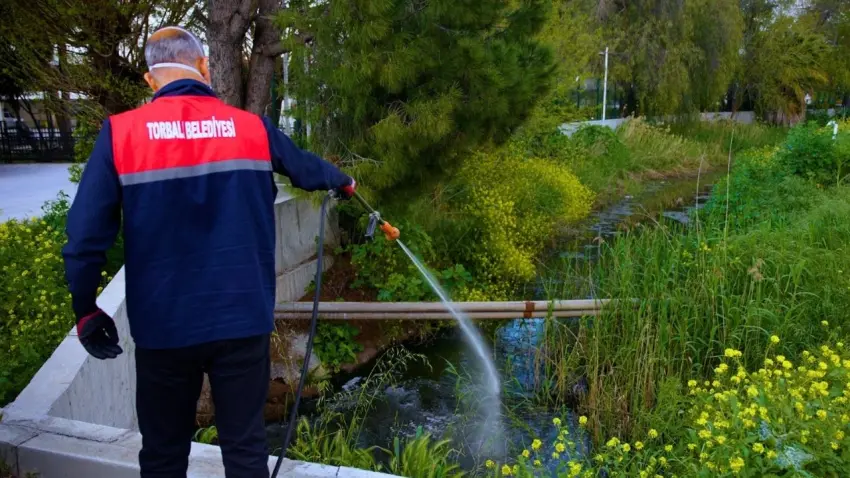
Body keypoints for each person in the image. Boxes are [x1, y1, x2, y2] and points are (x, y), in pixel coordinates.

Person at [61, 26, 356, 478]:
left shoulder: (120, 134)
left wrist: (86, 309)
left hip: (164, 327)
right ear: (204, 67)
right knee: (245, 449)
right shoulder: (252, 128)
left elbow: (84, 238)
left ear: (150, 80)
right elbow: (305, 168)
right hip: (241, 320)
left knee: (163, 454)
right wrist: (343, 180)